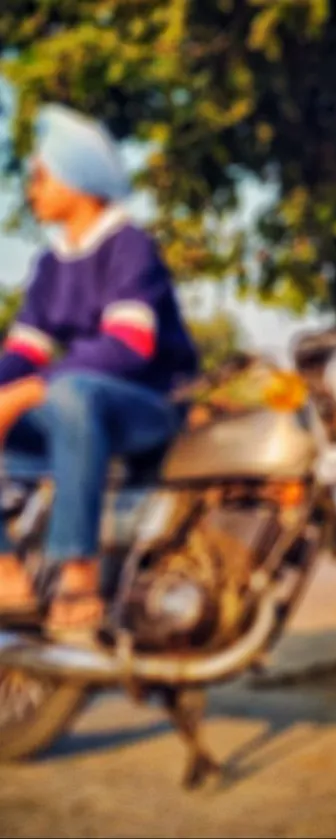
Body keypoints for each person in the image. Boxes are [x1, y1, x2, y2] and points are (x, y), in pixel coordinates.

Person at [0, 104, 198, 635]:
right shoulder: (50, 263)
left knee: (71, 396)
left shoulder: (129, 246)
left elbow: (128, 346)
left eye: (39, 177)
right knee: (61, 398)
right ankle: (7, 570)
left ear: (75, 181)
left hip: (147, 409)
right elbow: (23, 351)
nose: (31, 191)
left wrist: (24, 394)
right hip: (77, 406)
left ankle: (77, 570)